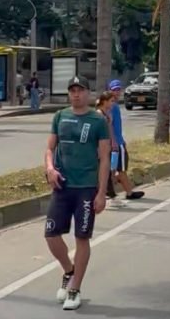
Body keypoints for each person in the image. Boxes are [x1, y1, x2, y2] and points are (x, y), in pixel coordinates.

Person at [44, 76, 110, 310]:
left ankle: (74, 288)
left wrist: (102, 192)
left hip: (86, 188)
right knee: (51, 235)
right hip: (62, 185)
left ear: (88, 94)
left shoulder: (98, 120)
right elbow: (50, 148)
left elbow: (104, 159)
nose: (76, 94)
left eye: (80, 90)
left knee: (82, 237)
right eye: (72, 90)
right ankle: (69, 270)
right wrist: (50, 169)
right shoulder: (60, 117)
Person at [104, 81, 144, 200]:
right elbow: (109, 124)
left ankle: (110, 189)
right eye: (114, 90)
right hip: (116, 144)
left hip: (116, 141)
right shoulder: (112, 106)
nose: (117, 92)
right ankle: (128, 192)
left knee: (114, 169)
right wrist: (115, 141)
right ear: (109, 90)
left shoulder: (111, 105)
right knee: (121, 170)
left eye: (118, 89)